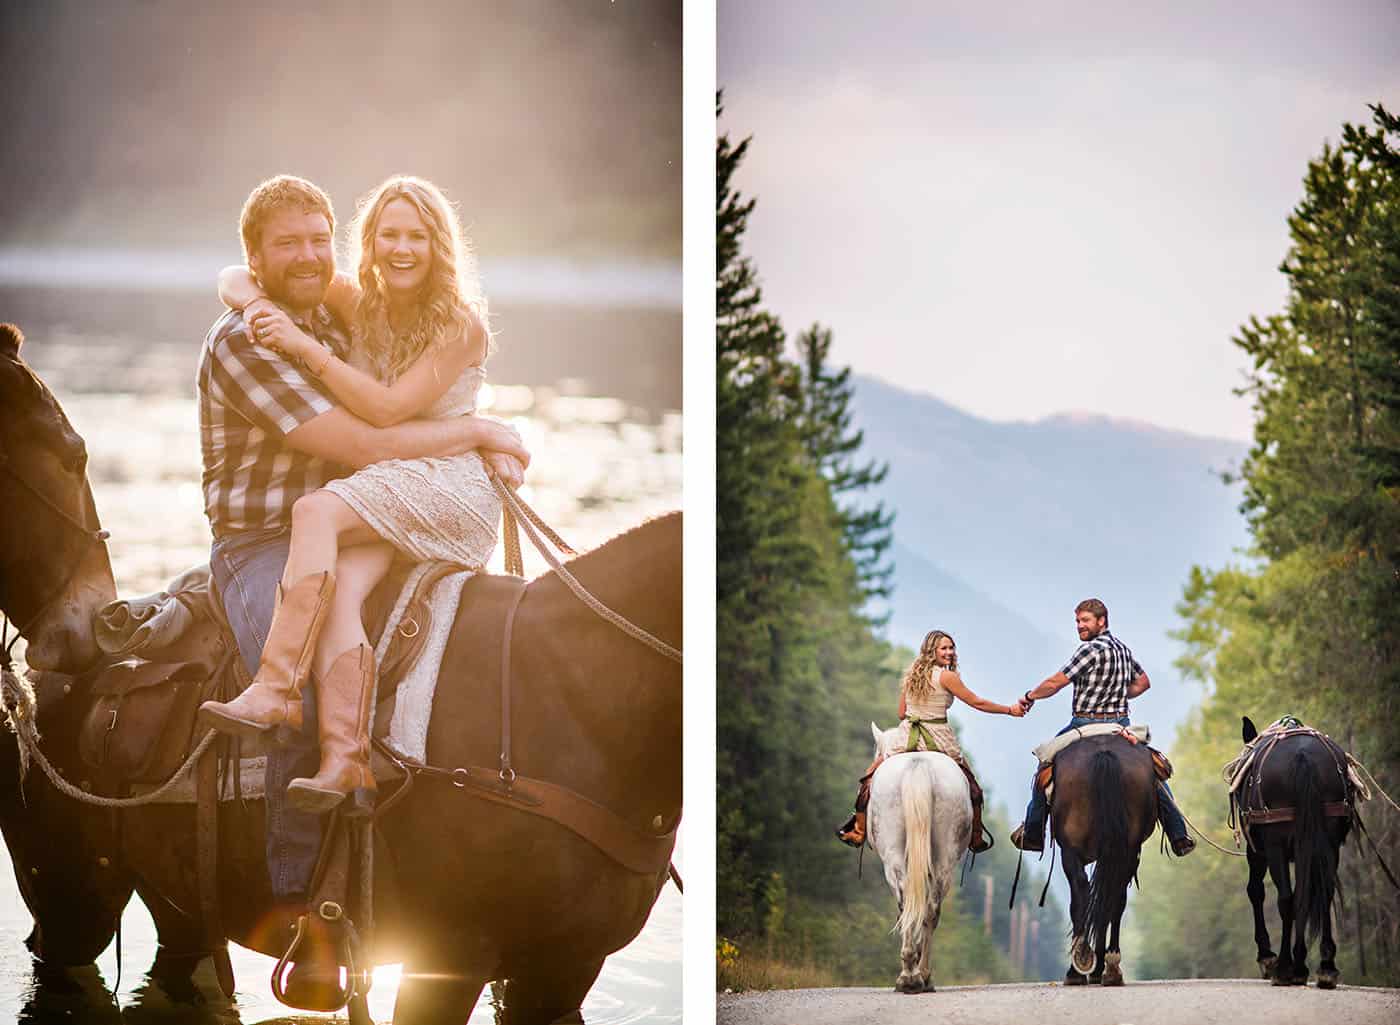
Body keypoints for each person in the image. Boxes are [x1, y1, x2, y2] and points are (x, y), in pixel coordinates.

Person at [194, 174, 529, 906]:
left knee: (329, 535)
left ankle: (325, 739)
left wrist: (479, 432)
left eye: (319, 241)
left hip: (374, 500)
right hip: (264, 538)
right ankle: (299, 889)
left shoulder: (338, 316)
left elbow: (382, 417)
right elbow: (364, 439)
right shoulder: (257, 338)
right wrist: (249, 299)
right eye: (288, 245)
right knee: (319, 666)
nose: (309, 256)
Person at [1009, 598, 1196, 856]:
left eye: (1085, 620)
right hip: (1121, 726)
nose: (1080, 626)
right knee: (1155, 772)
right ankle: (1178, 834)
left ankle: (1033, 833)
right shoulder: (1123, 649)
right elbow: (1143, 683)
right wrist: (1116, 693)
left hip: (1084, 723)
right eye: (1077, 621)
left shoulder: (1088, 650)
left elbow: (1055, 683)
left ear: (1101, 621)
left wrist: (1029, 696)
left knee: (1044, 767)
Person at [836, 630, 1024, 852]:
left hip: (907, 735)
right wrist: (1009, 710)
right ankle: (975, 835)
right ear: (932, 651)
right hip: (938, 737)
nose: (949, 652)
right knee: (972, 785)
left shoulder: (911, 674)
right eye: (944, 648)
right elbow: (977, 702)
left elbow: (901, 713)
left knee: (869, 777)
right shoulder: (948, 677)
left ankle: (858, 829)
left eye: (951, 647)